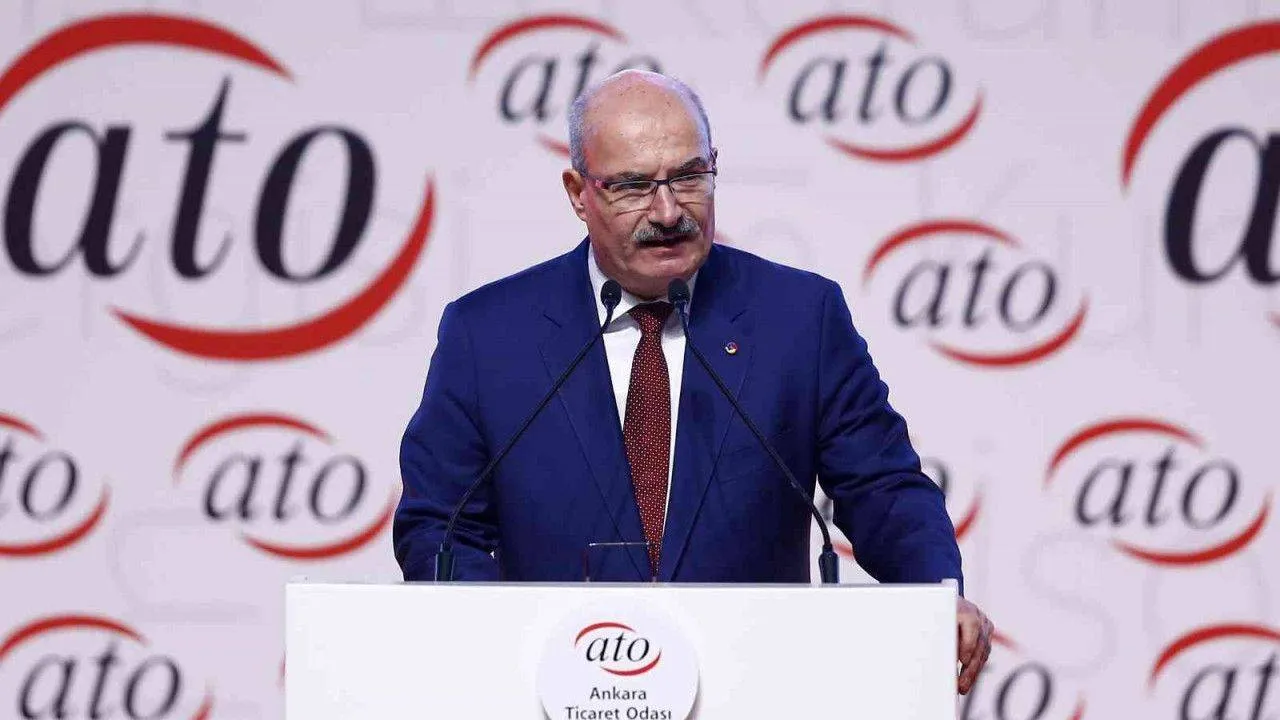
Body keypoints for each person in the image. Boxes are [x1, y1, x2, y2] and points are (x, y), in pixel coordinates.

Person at [395, 70, 993, 692]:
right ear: (578, 193)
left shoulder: (799, 318)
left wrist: (932, 595)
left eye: (688, 177)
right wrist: (501, 647)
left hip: (754, 687)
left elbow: (882, 487)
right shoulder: (488, 334)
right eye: (633, 186)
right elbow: (440, 526)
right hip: (554, 690)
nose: (668, 211)